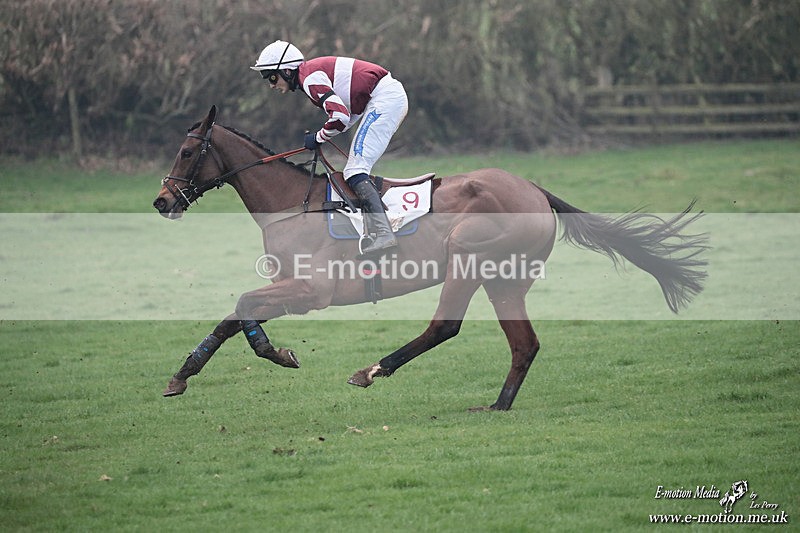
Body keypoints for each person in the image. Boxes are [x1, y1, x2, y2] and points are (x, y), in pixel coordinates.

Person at [251, 40, 408, 255]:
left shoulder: (310, 79)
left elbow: (341, 116)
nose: (271, 84)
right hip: (383, 98)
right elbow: (347, 114)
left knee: (355, 170)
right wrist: (322, 136)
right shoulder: (310, 75)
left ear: (287, 70)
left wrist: (319, 136)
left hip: (385, 99)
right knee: (355, 168)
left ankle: (384, 233)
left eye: (271, 76)